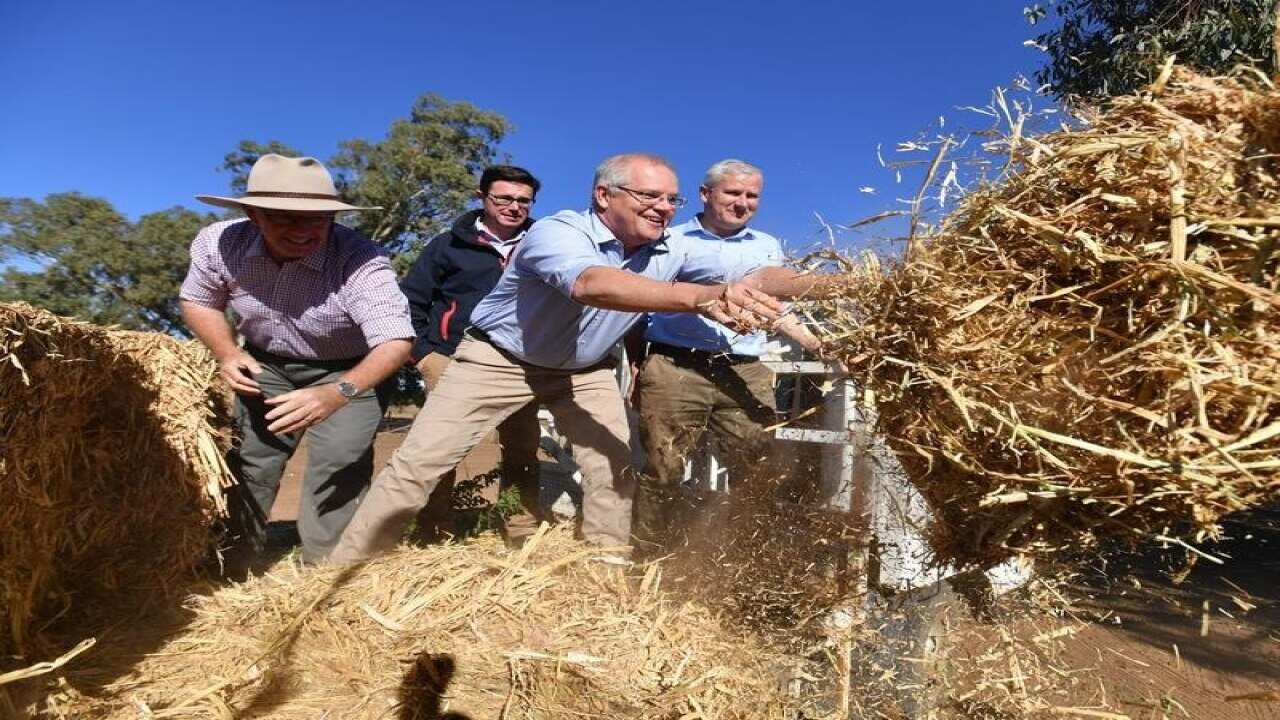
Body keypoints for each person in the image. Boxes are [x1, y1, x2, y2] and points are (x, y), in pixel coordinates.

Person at [328, 152, 817, 564]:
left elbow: (761, 276)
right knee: (419, 463)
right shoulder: (558, 232)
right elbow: (591, 284)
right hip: (500, 360)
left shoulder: (671, 247)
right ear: (604, 195)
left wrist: (849, 283)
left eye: (672, 199)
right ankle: (347, 571)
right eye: (650, 196)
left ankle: (603, 573)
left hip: (585, 371)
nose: (664, 208)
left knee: (613, 468)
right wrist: (700, 297)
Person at [179, 154, 413, 567]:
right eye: (286, 218)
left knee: (340, 460)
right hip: (265, 365)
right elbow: (198, 301)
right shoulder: (220, 243)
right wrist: (227, 353)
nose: (304, 231)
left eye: (318, 219)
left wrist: (338, 392)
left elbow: (395, 341)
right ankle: (230, 562)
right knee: (252, 460)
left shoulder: (361, 260)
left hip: (351, 369)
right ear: (254, 215)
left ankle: (326, 567)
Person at [629, 159, 820, 554]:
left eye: (752, 196)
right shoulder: (671, 239)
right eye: (733, 193)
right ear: (706, 194)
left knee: (759, 465)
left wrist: (818, 345)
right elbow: (641, 300)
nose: (743, 203)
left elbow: (775, 307)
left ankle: (745, 559)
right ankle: (649, 556)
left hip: (744, 368)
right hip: (677, 365)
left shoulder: (767, 246)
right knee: (665, 467)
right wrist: (636, 360)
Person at [400, 165, 544, 544]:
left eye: (523, 201)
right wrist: (424, 354)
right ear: (481, 198)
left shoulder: (544, 246)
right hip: (452, 357)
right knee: (439, 447)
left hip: (521, 362)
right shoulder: (447, 245)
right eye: (503, 198)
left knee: (522, 447)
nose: (514, 207)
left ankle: (520, 529)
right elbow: (412, 301)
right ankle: (433, 529)